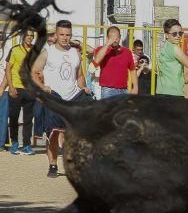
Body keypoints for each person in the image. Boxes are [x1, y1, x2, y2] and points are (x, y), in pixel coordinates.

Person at [30, 20, 93, 177]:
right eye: (62, 34)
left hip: (72, 97)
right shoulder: (47, 52)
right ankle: (52, 165)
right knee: (54, 133)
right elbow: (33, 72)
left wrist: (83, 87)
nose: (65, 38)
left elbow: (79, 75)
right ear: (56, 35)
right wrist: (42, 87)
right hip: (54, 97)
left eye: (68, 35)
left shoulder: (75, 53)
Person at [4, 28, 37, 155]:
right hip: (16, 88)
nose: (30, 38)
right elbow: (8, 69)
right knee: (13, 117)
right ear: (23, 36)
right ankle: (15, 143)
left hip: (29, 89)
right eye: (28, 35)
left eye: (32, 36)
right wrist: (11, 87)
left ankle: (27, 145)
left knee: (29, 119)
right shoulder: (15, 50)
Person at [93, 26, 136, 98]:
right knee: (108, 110)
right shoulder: (101, 50)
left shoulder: (127, 52)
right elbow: (96, 61)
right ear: (107, 38)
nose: (115, 40)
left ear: (120, 37)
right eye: (112, 38)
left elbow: (132, 70)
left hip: (124, 90)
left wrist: (135, 87)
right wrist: (107, 44)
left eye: (117, 38)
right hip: (108, 90)